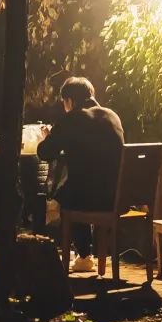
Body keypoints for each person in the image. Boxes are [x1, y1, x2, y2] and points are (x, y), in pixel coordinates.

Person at [37, 76, 124, 273]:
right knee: (78, 184)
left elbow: (45, 152)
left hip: (91, 199)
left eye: (64, 103)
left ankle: (84, 255)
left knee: (65, 192)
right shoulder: (112, 116)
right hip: (117, 197)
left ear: (70, 100)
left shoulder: (72, 119)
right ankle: (85, 255)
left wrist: (48, 137)